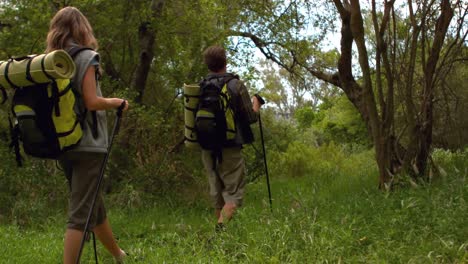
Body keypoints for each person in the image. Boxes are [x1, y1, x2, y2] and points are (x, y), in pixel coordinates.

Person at [46, 6, 128, 263]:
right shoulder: (87, 57)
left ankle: (118, 255)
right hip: (89, 145)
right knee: (81, 213)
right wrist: (116, 102)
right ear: (81, 28)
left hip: (63, 143)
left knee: (93, 205)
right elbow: (92, 101)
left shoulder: (52, 61)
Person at [200, 46, 262, 230]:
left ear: (207, 64)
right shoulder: (235, 85)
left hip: (206, 147)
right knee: (233, 196)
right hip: (230, 146)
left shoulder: (201, 86)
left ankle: (222, 239)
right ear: (225, 62)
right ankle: (218, 234)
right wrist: (256, 104)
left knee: (218, 196)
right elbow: (251, 117)